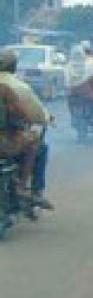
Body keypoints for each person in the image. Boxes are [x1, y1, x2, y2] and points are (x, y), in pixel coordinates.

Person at [0, 48, 54, 209]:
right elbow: (32, 114)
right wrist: (45, 118)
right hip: (5, 141)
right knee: (36, 142)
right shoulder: (13, 87)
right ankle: (25, 186)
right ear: (14, 66)